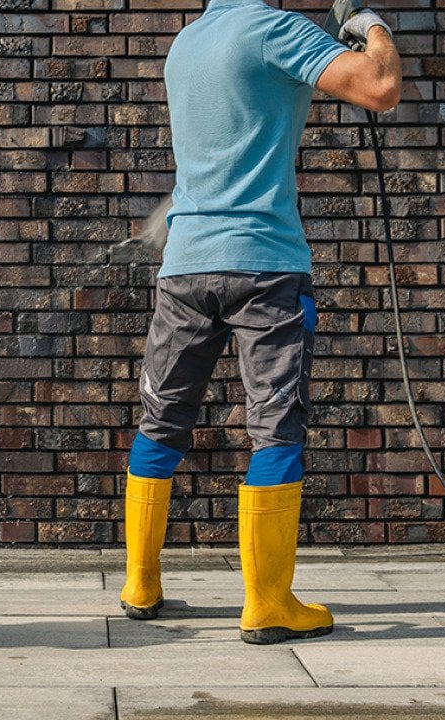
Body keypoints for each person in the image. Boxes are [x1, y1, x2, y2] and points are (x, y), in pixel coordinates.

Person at [121, 0, 402, 645]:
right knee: (275, 427)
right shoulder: (274, 30)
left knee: (161, 418)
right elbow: (380, 87)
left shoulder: (186, 43)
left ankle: (141, 583)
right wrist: (370, 24)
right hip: (265, 267)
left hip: (185, 266)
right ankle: (268, 604)